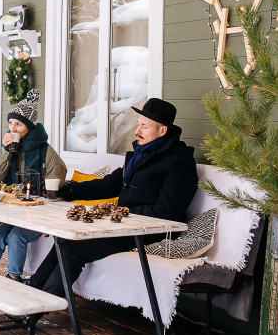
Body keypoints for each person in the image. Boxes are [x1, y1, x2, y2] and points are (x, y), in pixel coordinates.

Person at [28, 98, 198, 298]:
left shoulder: (180, 163)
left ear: (162, 131)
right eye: (138, 125)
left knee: (74, 251)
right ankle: (31, 291)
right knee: (64, 242)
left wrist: (122, 214)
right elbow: (108, 184)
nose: (137, 131)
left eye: (144, 126)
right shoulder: (140, 155)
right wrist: (69, 190)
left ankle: (40, 306)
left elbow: (168, 212)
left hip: (149, 231)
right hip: (124, 224)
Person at [0, 89, 67, 309]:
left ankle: (14, 281)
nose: (12, 129)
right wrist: (5, 152)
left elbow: (59, 178)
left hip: (37, 214)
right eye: (10, 124)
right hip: (13, 211)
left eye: (18, 124)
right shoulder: (9, 148)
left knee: (17, 236)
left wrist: (42, 196)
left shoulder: (45, 151)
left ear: (29, 126)